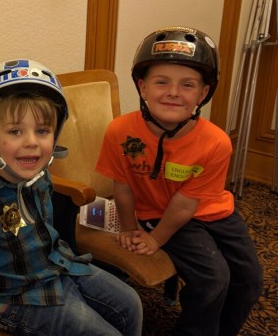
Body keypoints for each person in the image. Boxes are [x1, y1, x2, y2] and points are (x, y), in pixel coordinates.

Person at [0, 59, 143, 336]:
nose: (32, 142)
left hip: (57, 267)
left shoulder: (39, 176)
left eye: (42, 130)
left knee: (131, 304)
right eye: (15, 131)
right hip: (15, 300)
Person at [95, 26, 263, 335]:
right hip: (161, 213)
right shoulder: (119, 131)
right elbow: (123, 185)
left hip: (210, 210)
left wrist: (156, 241)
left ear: (203, 94)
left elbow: (188, 202)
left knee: (250, 280)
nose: (173, 92)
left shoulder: (216, 142)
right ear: (143, 88)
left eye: (187, 85)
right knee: (213, 279)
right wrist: (132, 229)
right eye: (162, 82)